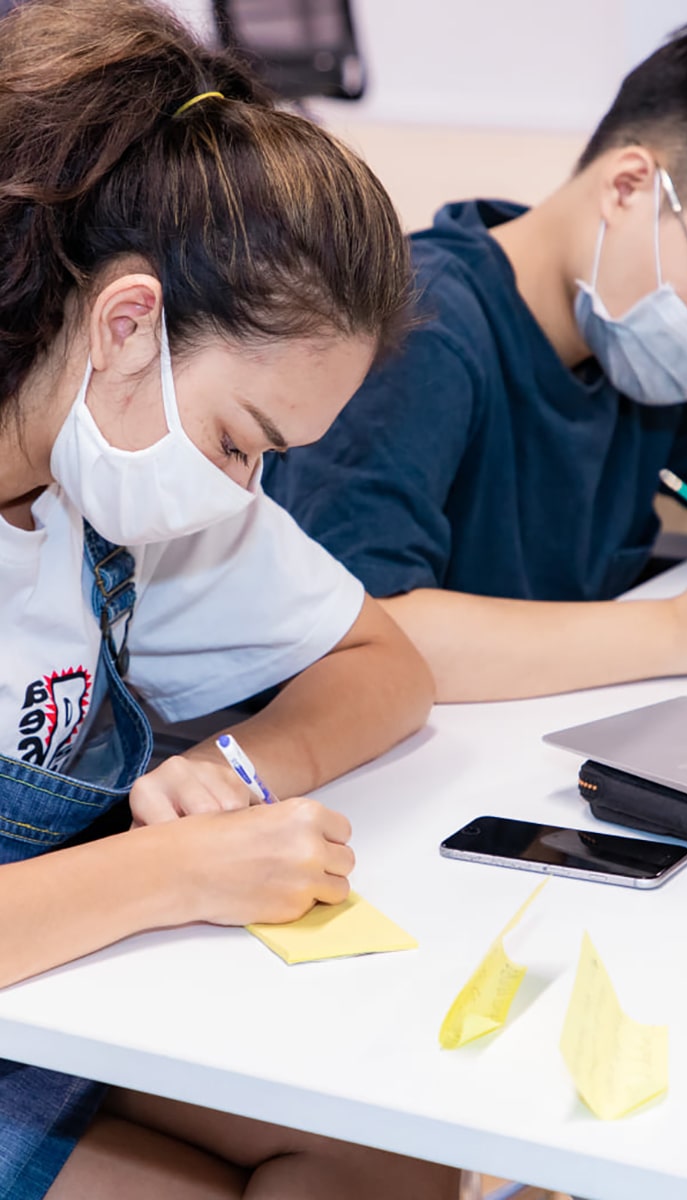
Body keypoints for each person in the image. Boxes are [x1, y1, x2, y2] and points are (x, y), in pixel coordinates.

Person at [0, 2, 462, 1197]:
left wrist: (243, 776)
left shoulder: (103, 480)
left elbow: (382, 662)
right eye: (241, 440)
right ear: (128, 322)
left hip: (52, 995)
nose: (237, 491)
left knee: (399, 1159)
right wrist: (180, 872)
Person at [265, 17, 687, 703]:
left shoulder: (642, 341)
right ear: (627, 188)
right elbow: (360, 636)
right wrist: (686, 628)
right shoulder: (415, 327)